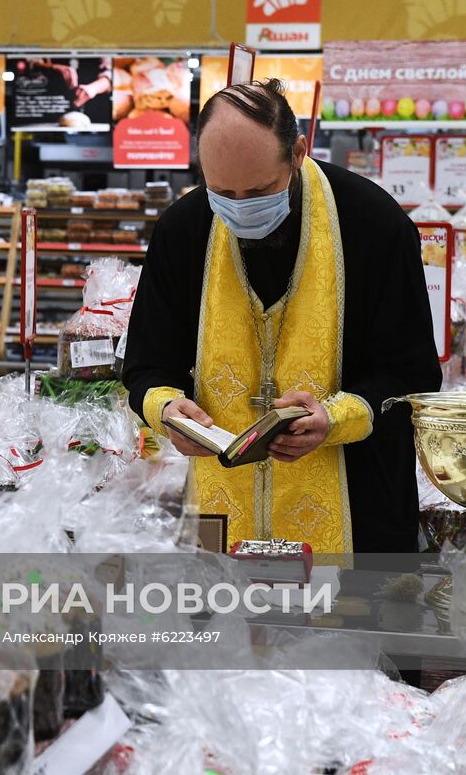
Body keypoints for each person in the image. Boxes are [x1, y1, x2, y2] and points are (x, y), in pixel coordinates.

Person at [122, 80, 441, 553]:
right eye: (223, 191)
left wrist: (335, 418)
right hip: (221, 512)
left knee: (350, 624)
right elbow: (147, 365)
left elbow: (411, 373)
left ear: (297, 152)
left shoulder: (375, 224)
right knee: (224, 621)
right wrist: (167, 409)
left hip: (358, 507)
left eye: (260, 190)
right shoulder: (184, 229)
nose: (241, 207)